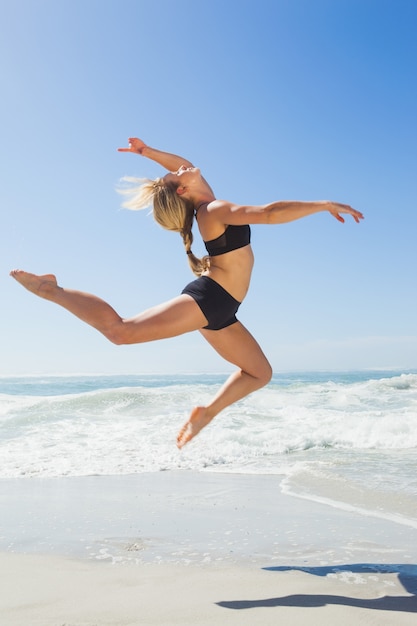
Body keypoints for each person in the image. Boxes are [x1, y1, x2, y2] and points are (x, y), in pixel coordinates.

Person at [10, 137, 364, 448]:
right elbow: (270, 214)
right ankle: (50, 289)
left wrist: (148, 152)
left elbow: (178, 165)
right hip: (209, 299)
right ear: (182, 190)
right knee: (121, 332)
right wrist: (322, 205)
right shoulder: (212, 209)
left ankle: (207, 413)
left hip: (224, 310)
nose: (181, 168)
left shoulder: (203, 199)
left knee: (260, 373)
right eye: (177, 174)